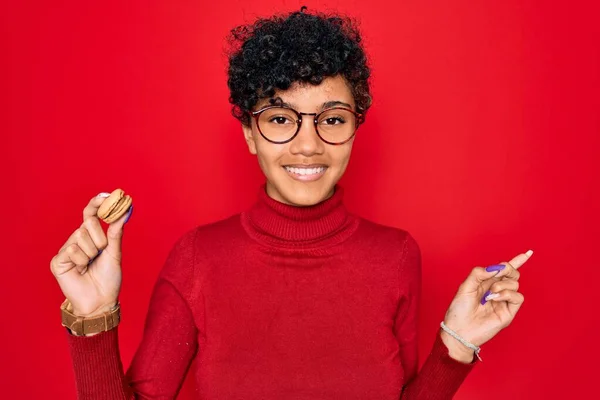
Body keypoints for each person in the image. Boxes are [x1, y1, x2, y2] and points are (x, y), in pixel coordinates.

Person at [50, 8, 532, 400]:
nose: (308, 145)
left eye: (332, 119)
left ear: (354, 130)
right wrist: (92, 317)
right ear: (248, 134)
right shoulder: (198, 258)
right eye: (280, 119)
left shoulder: (397, 257)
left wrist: (456, 345)